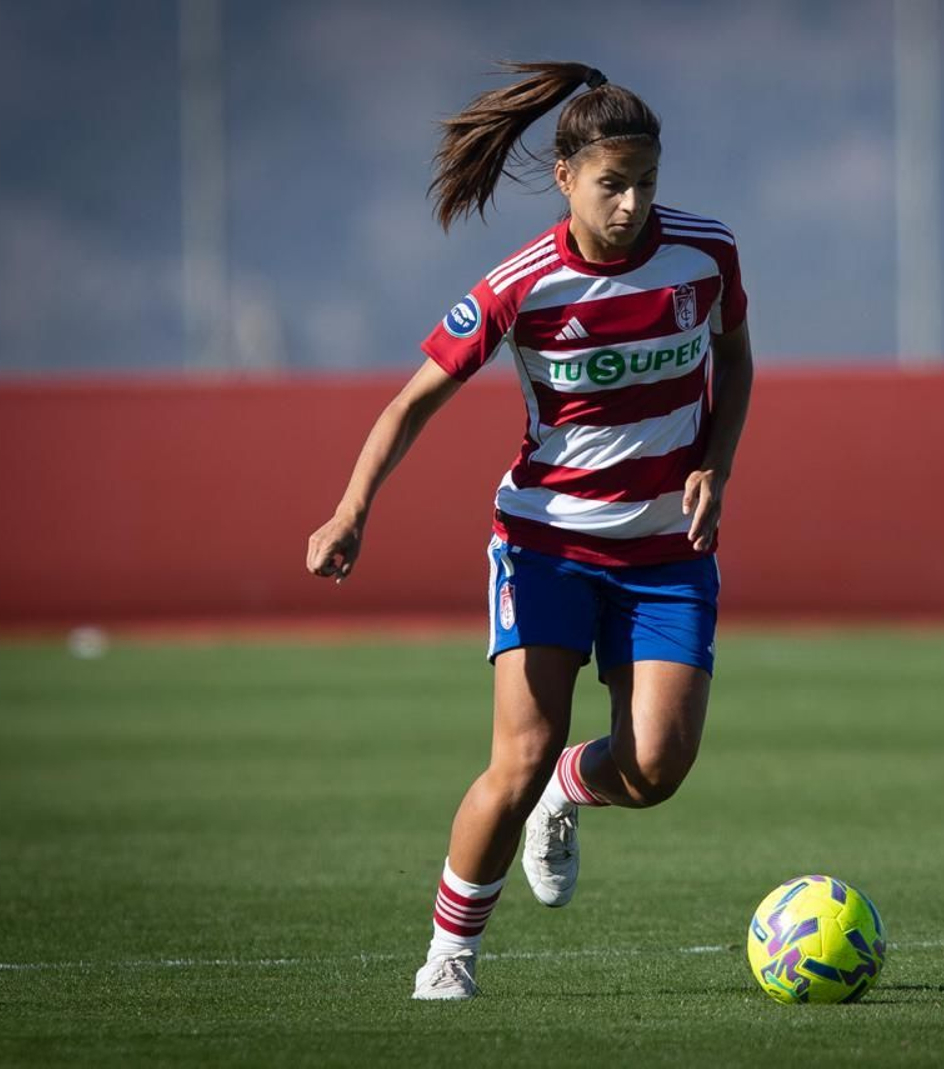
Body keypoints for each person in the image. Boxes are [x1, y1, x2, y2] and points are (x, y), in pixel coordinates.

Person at [303, 61, 753, 1001]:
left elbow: (736, 357)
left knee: (659, 766)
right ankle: (449, 954)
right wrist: (352, 509)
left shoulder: (707, 254)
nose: (632, 204)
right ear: (565, 179)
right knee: (519, 752)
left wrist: (717, 460)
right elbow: (411, 403)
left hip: (669, 550)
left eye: (646, 184)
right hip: (547, 542)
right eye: (611, 184)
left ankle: (570, 793)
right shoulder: (523, 283)